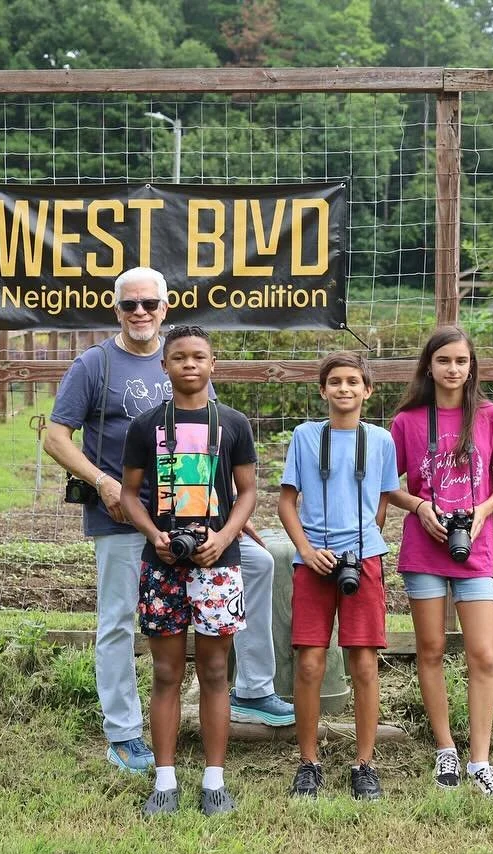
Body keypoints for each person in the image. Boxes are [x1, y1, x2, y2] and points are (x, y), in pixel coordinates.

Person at [44, 266, 291, 778]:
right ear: (116, 310)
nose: (140, 312)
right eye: (129, 305)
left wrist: (229, 519)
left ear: (164, 309)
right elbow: (55, 437)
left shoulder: (185, 361)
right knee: (117, 621)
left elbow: (215, 447)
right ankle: (124, 733)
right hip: (122, 518)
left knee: (262, 564)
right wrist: (104, 481)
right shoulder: (95, 366)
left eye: (149, 304)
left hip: (197, 521)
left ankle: (252, 690)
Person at [118, 325, 256, 817]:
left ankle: (214, 781)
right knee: (165, 672)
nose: (189, 365)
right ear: (165, 367)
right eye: (179, 358)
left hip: (219, 563)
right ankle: (165, 781)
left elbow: (247, 494)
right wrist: (154, 534)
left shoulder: (234, 424)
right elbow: (129, 494)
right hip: (163, 563)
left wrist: (223, 537)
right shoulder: (145, 426)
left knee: (217, 671)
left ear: (213, 364)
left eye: (199, 357)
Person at [388, 328, 493, 797]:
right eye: (444, 360)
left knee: (483, 653)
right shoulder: (407, 421)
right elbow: (389, 483)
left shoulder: (489, 416)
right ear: (429, 366)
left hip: (475, 552)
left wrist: (484, 511)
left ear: (471, 366)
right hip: (425, 551)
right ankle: (445, 749)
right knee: (432, 650)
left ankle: (480, 759)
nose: (453, 369)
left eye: (461, 361)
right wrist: (420, 507)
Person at [279, 352, 398, 801]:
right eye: (335, 382)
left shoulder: (381, 441)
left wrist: (363, 544)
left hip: (363, 560)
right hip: (313, 561)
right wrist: (307, 551)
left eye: (353, 382)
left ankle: (364, 764)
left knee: (364, 664)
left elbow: (383, 502)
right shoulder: (306, 437)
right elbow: (287, 502)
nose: (344, 389)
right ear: (323, 390)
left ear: (368, 390)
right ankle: (308, 762)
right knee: (309, 662)